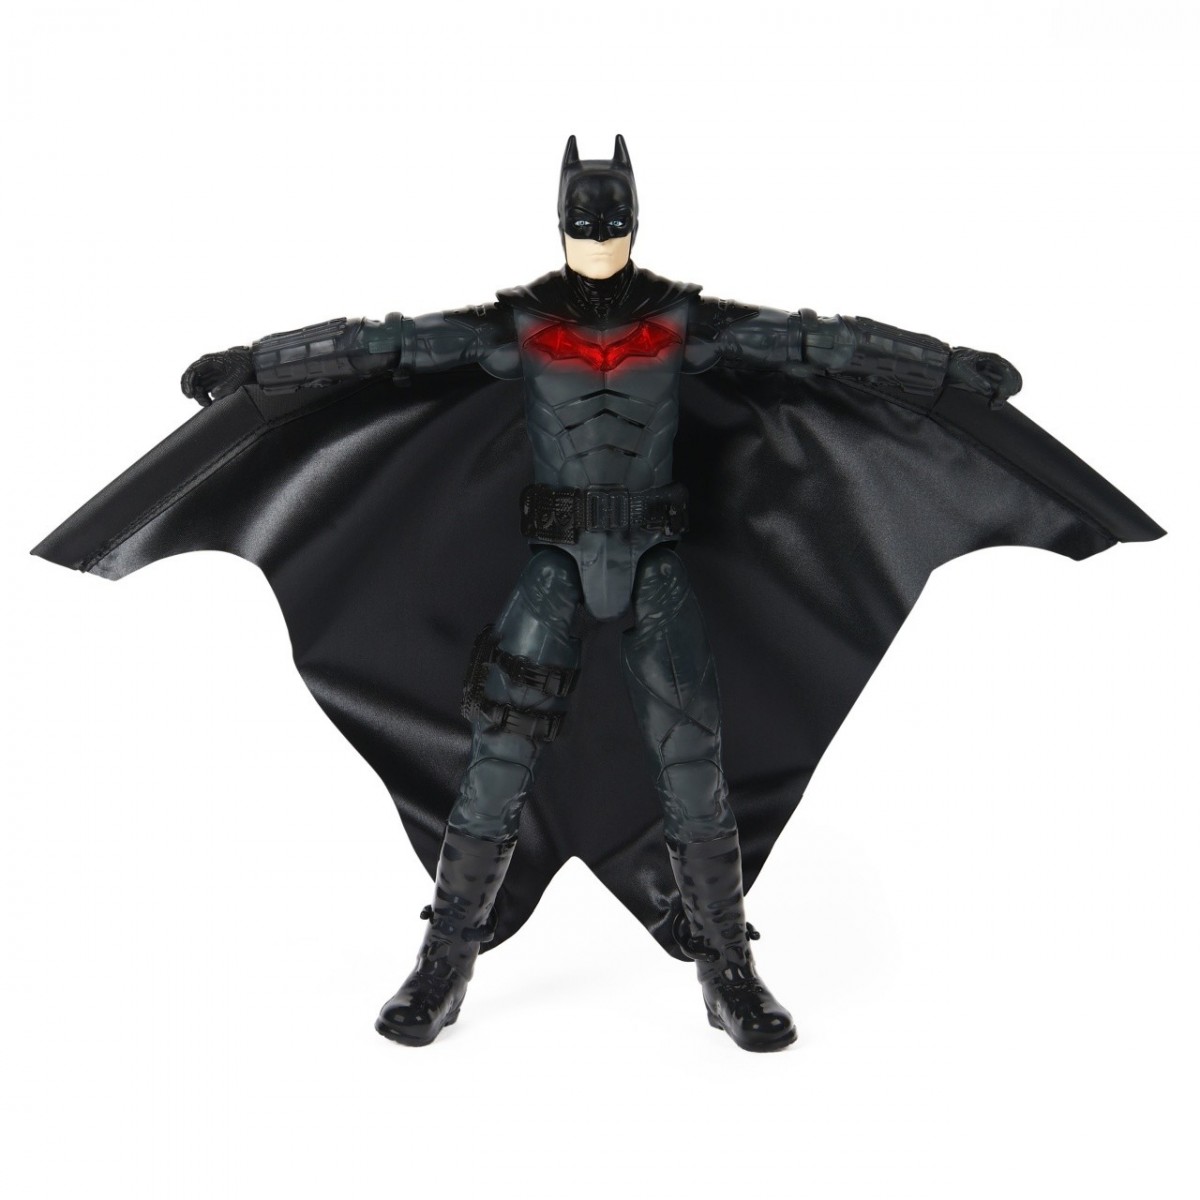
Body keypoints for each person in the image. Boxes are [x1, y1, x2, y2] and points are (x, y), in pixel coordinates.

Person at [179, 135, 1021, 1052]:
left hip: (656, 562)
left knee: (694, 771)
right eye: (584, 228)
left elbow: (818, 342)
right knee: (496, 765)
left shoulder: (682, 319)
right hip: (556, 564)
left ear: (633, 221)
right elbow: (383, 346)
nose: (597, 241)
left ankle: (726, 968)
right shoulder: (522, 324)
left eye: (610, 225)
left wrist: (941, 368)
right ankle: (445, 962)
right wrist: (259, 365)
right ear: (561, 226)